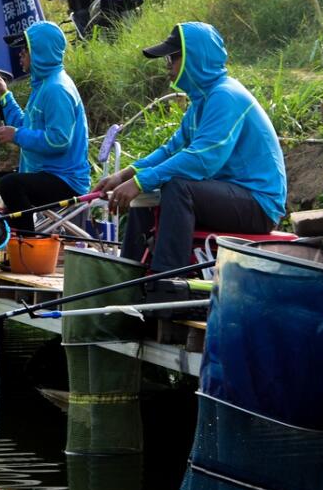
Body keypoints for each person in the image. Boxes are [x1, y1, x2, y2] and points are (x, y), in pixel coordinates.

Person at [96, 22, 287, 295]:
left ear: (195, 58)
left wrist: (142, 180)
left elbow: (202, 160)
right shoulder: (202, 100)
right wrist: (126, 175)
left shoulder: (225, 96)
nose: (167, 64)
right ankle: (129, 276)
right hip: (229, 194)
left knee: (178, 187)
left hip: (259, 203)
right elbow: (171, 149)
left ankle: (165, 284)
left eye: (173, 57)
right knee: (146, 194)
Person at [0, 20, 90, 236]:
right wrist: (4, 95)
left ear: (41, 52)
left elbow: (59, 141)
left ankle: (28, 243)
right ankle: (2, 240)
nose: (20, 54)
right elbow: (26, 125)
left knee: (12, 185)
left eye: (26, 49)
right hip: (46, 173)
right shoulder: (44, 85)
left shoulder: (57, 89)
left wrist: (17, 135)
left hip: (65, 180)